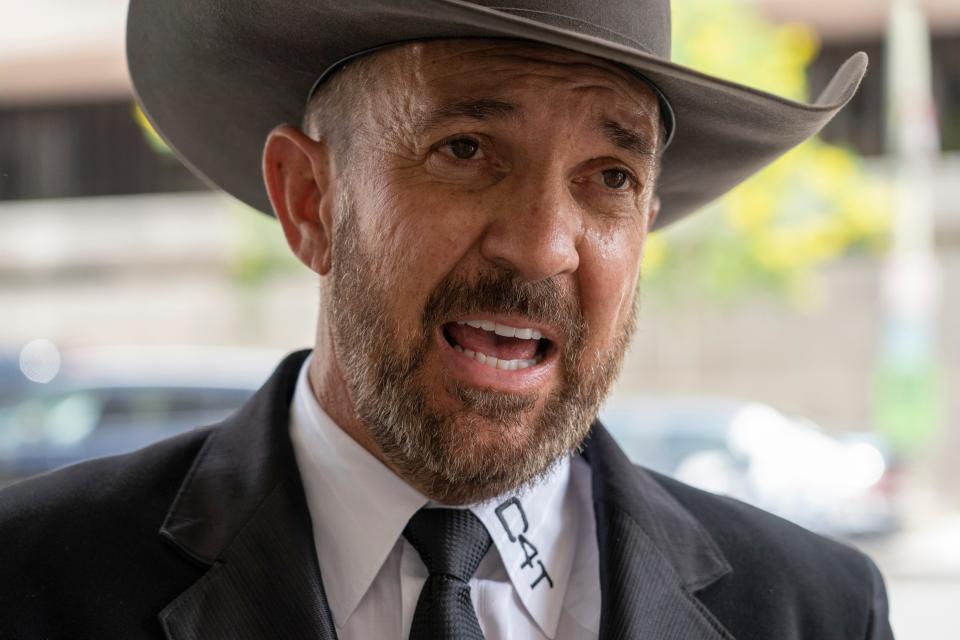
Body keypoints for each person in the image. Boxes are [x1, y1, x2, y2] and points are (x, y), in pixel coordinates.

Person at [0, 1, 893, 638]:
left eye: (610, 177)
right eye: (465, 151)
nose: (543, 245)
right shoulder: (30, 580)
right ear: (311, 200)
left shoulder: (814, 612)